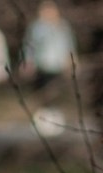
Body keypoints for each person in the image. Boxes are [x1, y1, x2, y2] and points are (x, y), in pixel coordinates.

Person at [19, 1, 76, 133]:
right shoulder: (36, 27)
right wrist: (27, 62)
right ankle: (43, 119)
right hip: (42, 64)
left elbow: (69, 44)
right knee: (43, 91)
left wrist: (71, 61)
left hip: (57, 65)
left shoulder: (62, 26)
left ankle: (54, 120)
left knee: (55, 92)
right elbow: (29, 45)